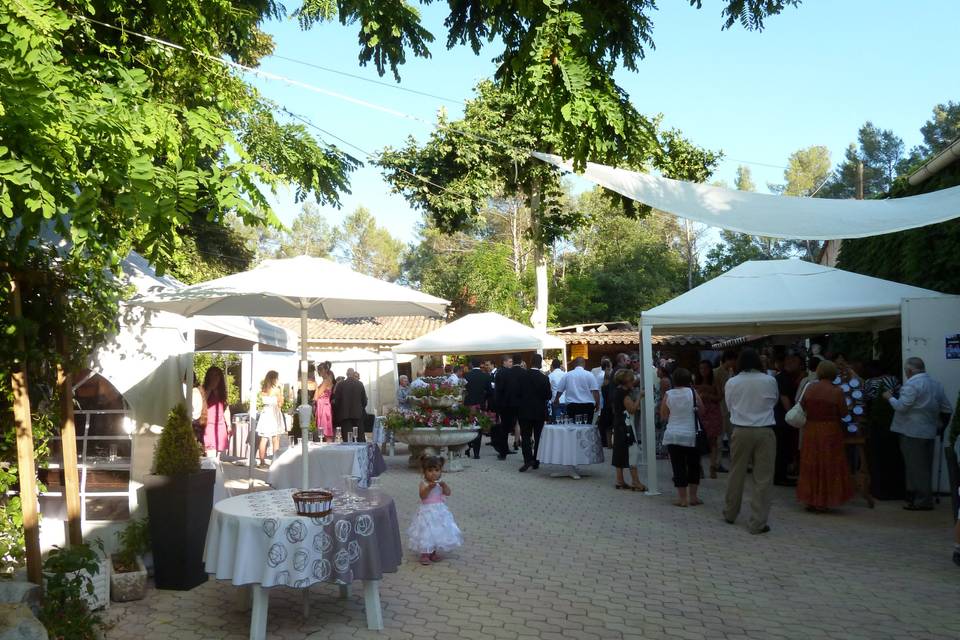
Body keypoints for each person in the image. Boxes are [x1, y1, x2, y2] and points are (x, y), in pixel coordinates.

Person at [883, 357, 952, 511]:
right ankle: (915, 497)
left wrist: (890, 398)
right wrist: (941, 427)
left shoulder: (911, 385)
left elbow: (901, 407)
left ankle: (923, 501)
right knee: (924, 466)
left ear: (909, 371)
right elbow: (947, 408)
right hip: (929, 431)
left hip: (911, 432)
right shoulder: (936, 385)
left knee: (916, 467)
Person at [722, 348, 779, 534]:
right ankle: (757, 522)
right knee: (763, 478)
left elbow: (729, 406)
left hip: (741, 429)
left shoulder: (732, 382)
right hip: (765, 430)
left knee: (736, 473)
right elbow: (774, 402)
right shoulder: (770, 380)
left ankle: (730, 513)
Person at [796, 360, 854, 512]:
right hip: (830, 431)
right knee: (828, 465)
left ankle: (810, 499)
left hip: (811, 430)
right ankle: (825, 501)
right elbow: (844, 413)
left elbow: (802, 406)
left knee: (811, 464)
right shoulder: (837, 392)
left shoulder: (810, 388)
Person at [407, 455, 463, 565]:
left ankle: (433, 552)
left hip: (440, 511)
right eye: (430, 470)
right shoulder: (424, 483)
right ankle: (425, 553)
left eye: (437, 470)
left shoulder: (440, 483)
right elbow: (422, 496)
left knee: (437, 531)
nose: (434, 473)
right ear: (424, 472)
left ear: (441, 470)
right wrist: (429, 488)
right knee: (427, 531)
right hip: (427, 511)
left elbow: (448, 493)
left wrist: (444, 485)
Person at [661, 367, 703, 506]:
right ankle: (693, 497)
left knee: (678, 466)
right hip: (691, 434)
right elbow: (702, 410)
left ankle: (682, 499)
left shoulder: (668, 394)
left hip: (673, 434)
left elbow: (664, 415)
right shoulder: (693, 392)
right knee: (693, 465)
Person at [612, 369, 646, 492]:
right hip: (626, 425)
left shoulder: (616, 391)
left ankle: (620, 480)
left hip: (618, 424)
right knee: (633, 452)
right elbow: (632, 409)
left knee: (619, 452)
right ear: (627, 381)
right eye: (631, 380)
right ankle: (635, 482)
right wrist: (639, 397)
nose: (633, 382)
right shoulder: (624, 394)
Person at [518, 353, 552, 472]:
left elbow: (518, 394)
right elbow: (548, 395)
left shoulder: (522, 377)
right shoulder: (544, 378)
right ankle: (536, 460)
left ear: (531, 362)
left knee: (525, 436)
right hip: (539, 412)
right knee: (538, 437)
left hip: (524, 411)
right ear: (540, 363)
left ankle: (528, 460)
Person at [773, 355, 803, 487]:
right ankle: (780, 476)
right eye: (790, 361)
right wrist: (792, 416)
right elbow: (784, 397)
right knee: (782, 449)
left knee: (782, 449)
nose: (791, 363)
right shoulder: (783, 378)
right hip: (783, 419)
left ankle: (781, 474)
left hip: (780, 418)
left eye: (794, 361)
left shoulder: (784, 377)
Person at [694, 360, 723, 479]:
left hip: (713, 412)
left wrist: (709, 396)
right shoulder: (696, 381)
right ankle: (699, 467)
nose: (703, 371)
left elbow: (720, 396)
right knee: (700, 441)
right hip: (701, 413)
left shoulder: (715, 381)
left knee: (713, 441)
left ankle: (713, 466)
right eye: (701, 369)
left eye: (705, 368)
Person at [493, 355, 522, 460]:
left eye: (511, 362)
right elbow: (499, 390)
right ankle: (503, 451)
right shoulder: (502, 372)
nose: (511, 364)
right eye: (509, 362)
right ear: (504, 362)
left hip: (507, 404)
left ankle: (504, 450)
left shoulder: (507, 372)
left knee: (506, 428)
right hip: (506, 405)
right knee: (505, 429)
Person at [555, 357, 600, 424]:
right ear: (584, 364)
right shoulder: (590, 375)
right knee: (587, 428)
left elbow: (560, 390)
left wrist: (557, 399)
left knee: (573, 428)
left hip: (572, 406)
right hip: (587, 406)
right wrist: (598, 403)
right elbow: (595, 391)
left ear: (574, 364)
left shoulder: (567, 375)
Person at [463, 358, 492, 459]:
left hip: (468, 404)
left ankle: (468, 447)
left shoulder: (466, 375)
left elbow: (463, 390)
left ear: (471, 364)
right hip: (480, 404)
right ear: (480, 364)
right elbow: (490, 391)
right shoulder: (485, 376)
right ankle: (476, 453)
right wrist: (484, 398)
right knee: (478, 428)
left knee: (469, 426)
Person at [200, 366, 231, 459]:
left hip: (220, 425)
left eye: (217, 375)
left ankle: (216, 472)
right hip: (208, 425)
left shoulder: (222, 392)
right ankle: (212, 472)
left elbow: (225, 408)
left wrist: (229, 425)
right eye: (212, 375)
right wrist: (210, 389)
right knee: (211, 455)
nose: (215, 377)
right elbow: (201, 403)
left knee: (218, 457)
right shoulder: (204, 389)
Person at [255, 371, 284, 467]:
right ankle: (275, 461)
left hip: (265, 413)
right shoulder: (277, 390)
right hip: (274, 413)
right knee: (275, 438)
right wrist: (281, 391)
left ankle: (262, 462)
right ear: (273, 378)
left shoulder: (264, 389)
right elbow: (280, 403)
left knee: (263, 439)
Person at [332, 368, 368, 442]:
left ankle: (348, 453)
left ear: (346, 374)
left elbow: (337, 401)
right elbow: (364, 401)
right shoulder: (360, 384)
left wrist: (339, 410)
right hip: (358, 415)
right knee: (360, 438)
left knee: (348, 439)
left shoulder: (340, 385)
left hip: (345, 416)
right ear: (353, 374)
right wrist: (360, 408)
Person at [714, 351, 737, 461]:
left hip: (730, 409)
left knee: (732, 437)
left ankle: (733, 460)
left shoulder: (731, 372)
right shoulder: (718, 372)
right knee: (720, 437)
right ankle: (717, 463)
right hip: (721, 408)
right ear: (729, 359)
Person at [315, 368, 334, 441]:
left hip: (324, 406)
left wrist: (315, 386)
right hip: (322, 405)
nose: (318, 372)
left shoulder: (326, 381)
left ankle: (328, 448)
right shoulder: (325, 381)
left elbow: (317, 396)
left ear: (325, 371)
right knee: (324, 429)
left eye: (320, 370)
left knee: (325, 429)